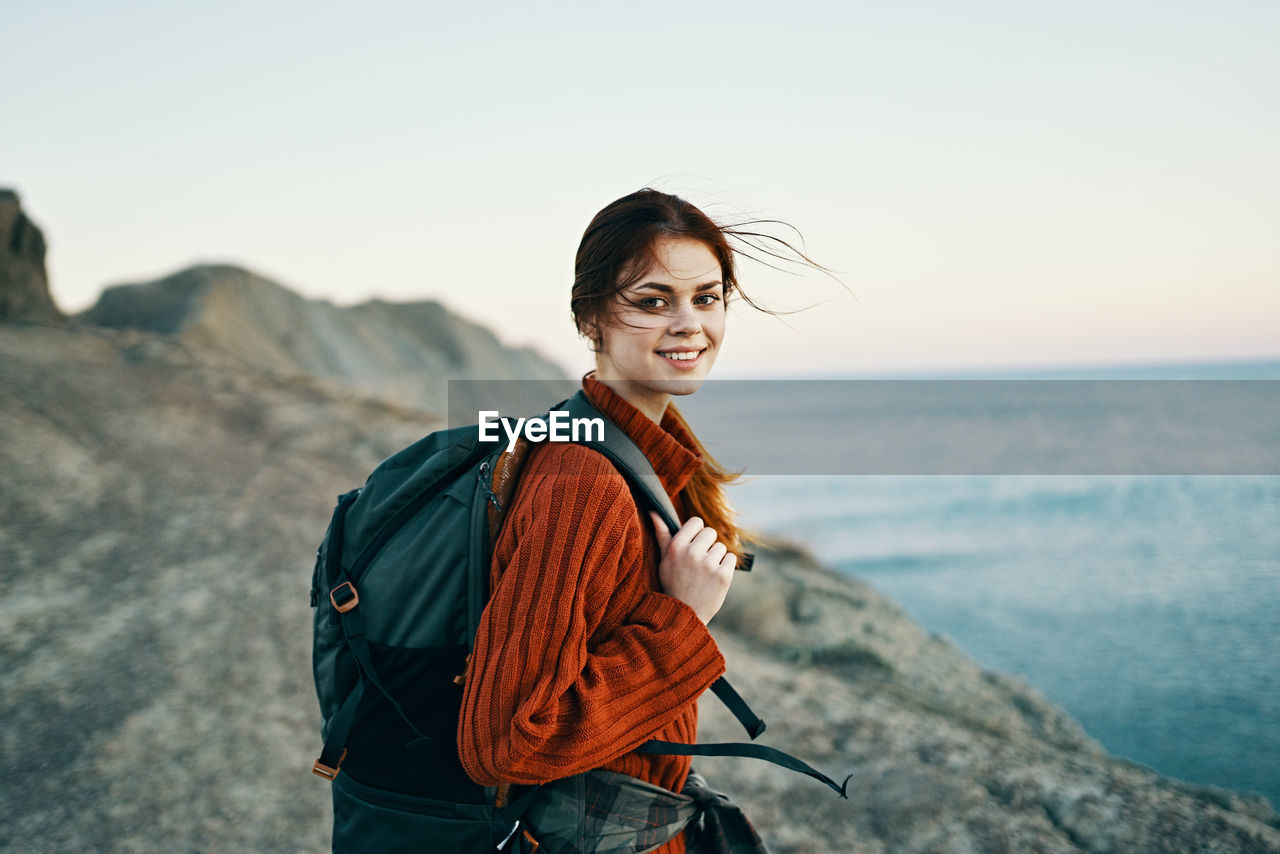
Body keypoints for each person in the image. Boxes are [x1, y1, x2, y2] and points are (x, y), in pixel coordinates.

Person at [456, 188, 826, 853]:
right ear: (590, 319)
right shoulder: (584, 483)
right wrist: (680, 622)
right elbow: (507, 742)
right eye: (653, 301)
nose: (689, 324)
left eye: (706, 298)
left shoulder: (633, 456)